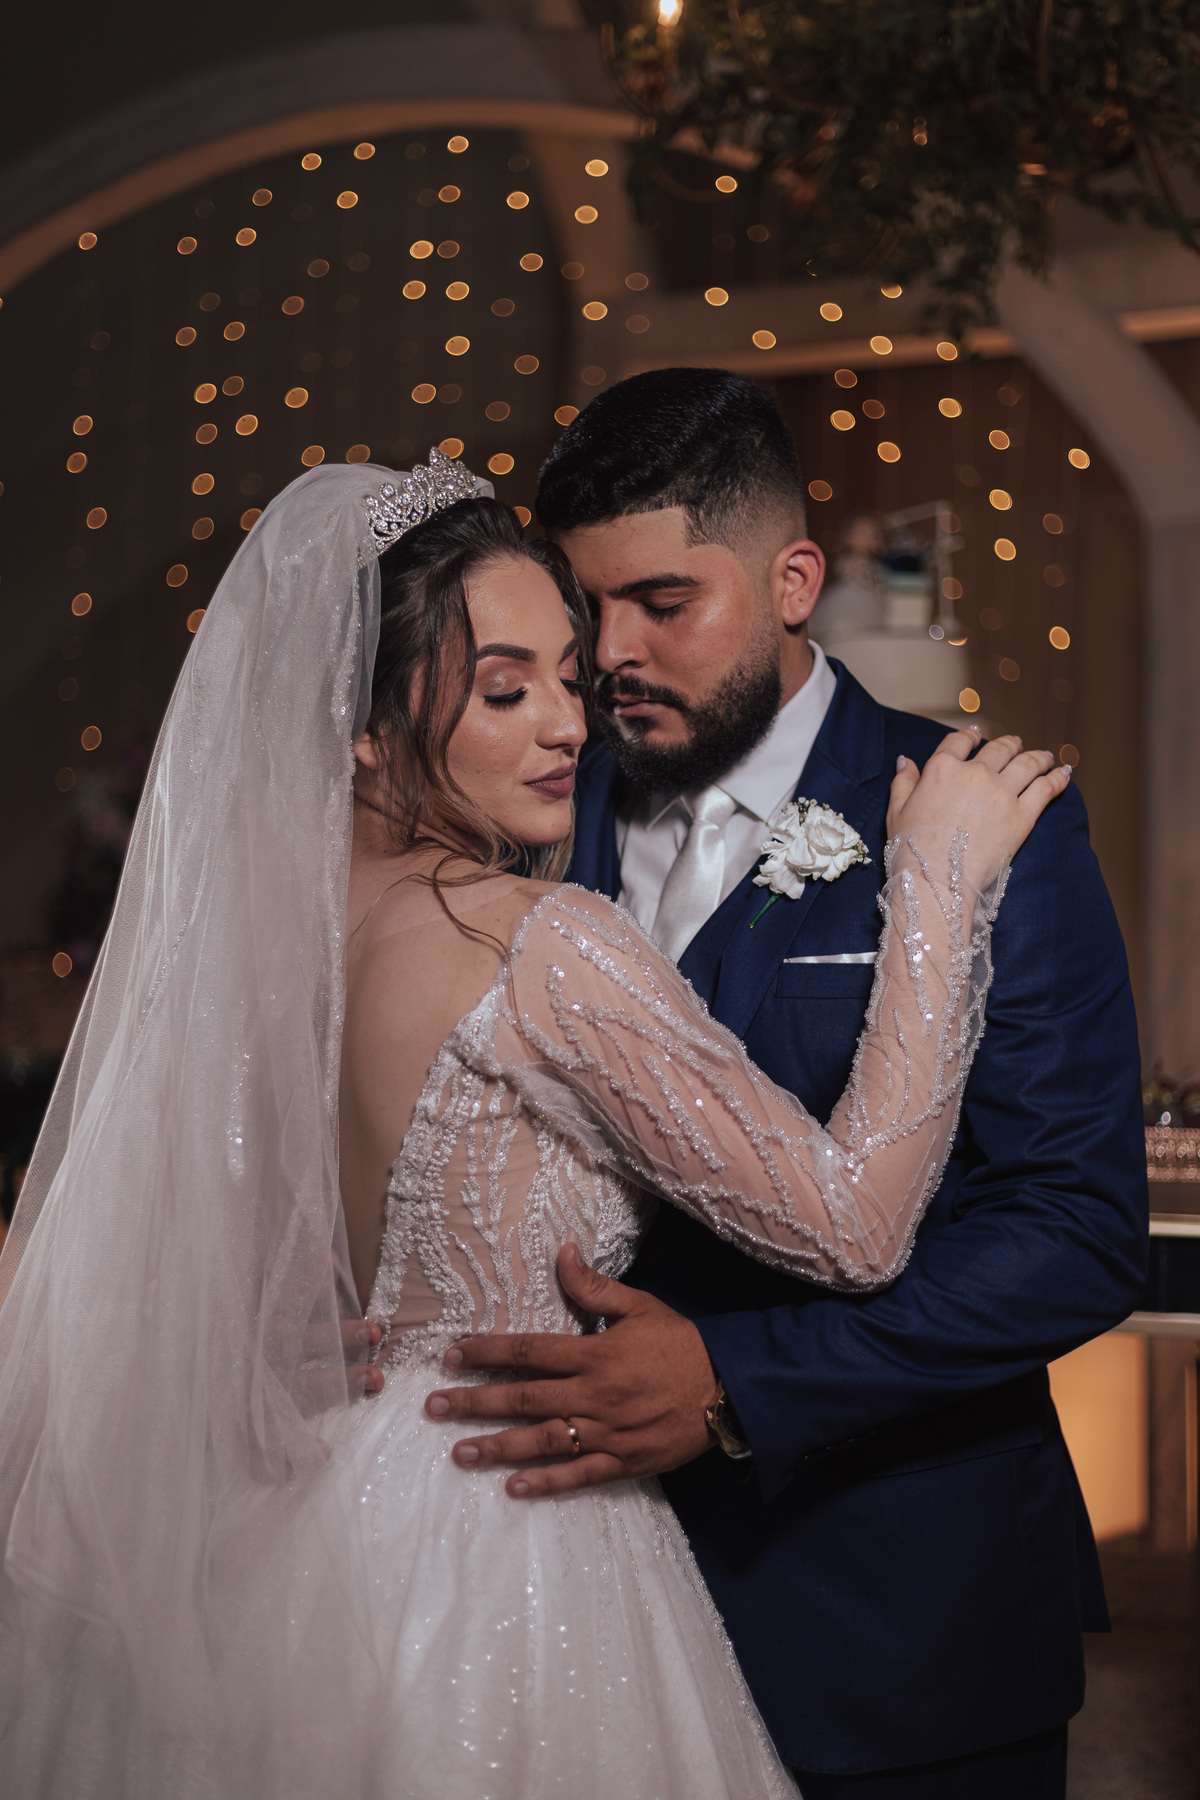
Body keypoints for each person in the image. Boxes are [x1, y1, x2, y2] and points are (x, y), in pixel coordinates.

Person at [0, 450, 1068, 1798]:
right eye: (506, 691)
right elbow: (853, 1227)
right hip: (506, 1541)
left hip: (305, 1537)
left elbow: (97, 1264)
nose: (570, 722)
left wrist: (254, 1350)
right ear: (361, 726)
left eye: (567, 676)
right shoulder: (536, 941)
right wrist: (939, 888)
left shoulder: (240, 954)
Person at [426, 372, 1149, 1798]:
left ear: (794, 582)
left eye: (663, 603)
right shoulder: (528, 802)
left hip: (895, 1616)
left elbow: (1074, 1228)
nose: (611, 656)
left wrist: (734, 1383)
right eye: (586, 610)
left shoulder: (977, 814)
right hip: (571, 1602)